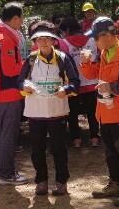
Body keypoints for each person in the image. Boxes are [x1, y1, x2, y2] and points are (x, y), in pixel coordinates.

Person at [81, 16, 119, 204]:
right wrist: (86, 62)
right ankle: (115, 184)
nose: (94, 41)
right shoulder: (104, 52)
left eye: (95, 37)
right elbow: (92, 75)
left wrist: (112, 87)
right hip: (104, 112)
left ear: (107, 35)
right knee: (110, 152)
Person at [19, 22, 79, 196]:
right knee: (37, 150)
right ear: (35, 42)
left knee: (59, 149)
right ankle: (41, 181)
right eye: (40, 39)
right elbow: (19, 81)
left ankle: (61, 182)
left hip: (56, 112)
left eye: (47, 38)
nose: (43, 42)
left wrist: (66, 89)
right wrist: (24, 86)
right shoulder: (31, 59)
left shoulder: (63, 58)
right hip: (35, 112)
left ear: (54, 41)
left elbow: (75, 82)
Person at [0, 2, 28, 186]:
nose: (22, 22)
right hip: (8, 93)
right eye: (22, 18)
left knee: (0, 132)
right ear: (15, 18)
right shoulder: (5, 38)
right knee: (8, 134)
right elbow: (10, 69)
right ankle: (6, 174)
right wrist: (26, 65)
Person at [59, 17, 100, 148]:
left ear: (67, 30)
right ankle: (94, 137)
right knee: (92, 112)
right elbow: (97, 58)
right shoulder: (92, 40)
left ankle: (76, 139)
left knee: (73, 113)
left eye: (63, 31)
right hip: (92, 82)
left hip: (74, 84)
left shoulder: (63, 43)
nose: (62, 34)